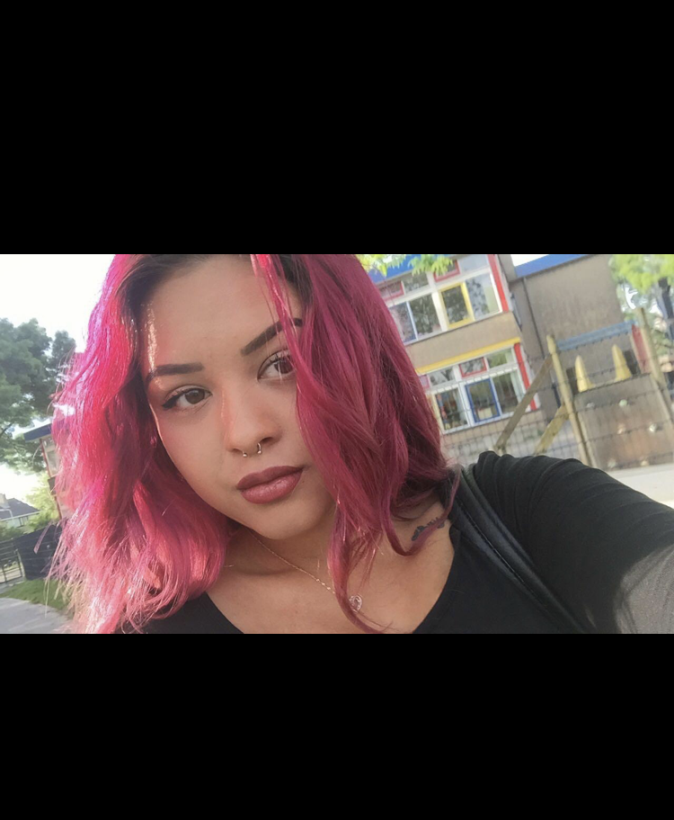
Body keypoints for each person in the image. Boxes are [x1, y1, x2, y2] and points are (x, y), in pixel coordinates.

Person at [47, 254, 674, 634]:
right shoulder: (149, 627)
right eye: (187, 396)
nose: (245, 433)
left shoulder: (528, 515)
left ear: (358, 349)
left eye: (282, 362)